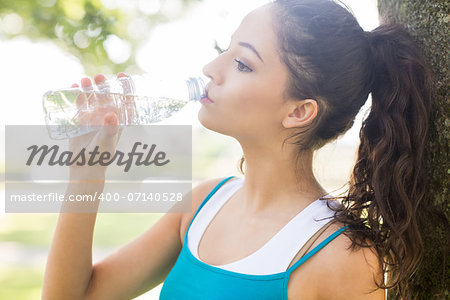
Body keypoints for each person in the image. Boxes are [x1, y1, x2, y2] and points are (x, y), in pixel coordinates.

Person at [42, 0, 432, 299]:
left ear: (299, 111)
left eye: (243, 63)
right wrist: (87, 168)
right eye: (225, 50)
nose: (212, 68)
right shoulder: (201, 206)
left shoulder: (341, 256)